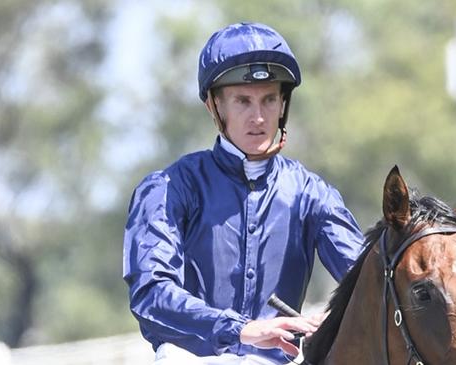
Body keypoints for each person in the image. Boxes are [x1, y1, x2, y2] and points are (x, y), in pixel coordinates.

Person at [122, 22, 365, 365]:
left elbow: (370, 281)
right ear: (214, 106)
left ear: (283, 104)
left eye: (269, 100)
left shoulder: (312, 194)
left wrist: (338, 319)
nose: (259, 117)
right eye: (243, 101)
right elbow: (151, 293)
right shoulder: (167, 188)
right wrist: (242, 329)